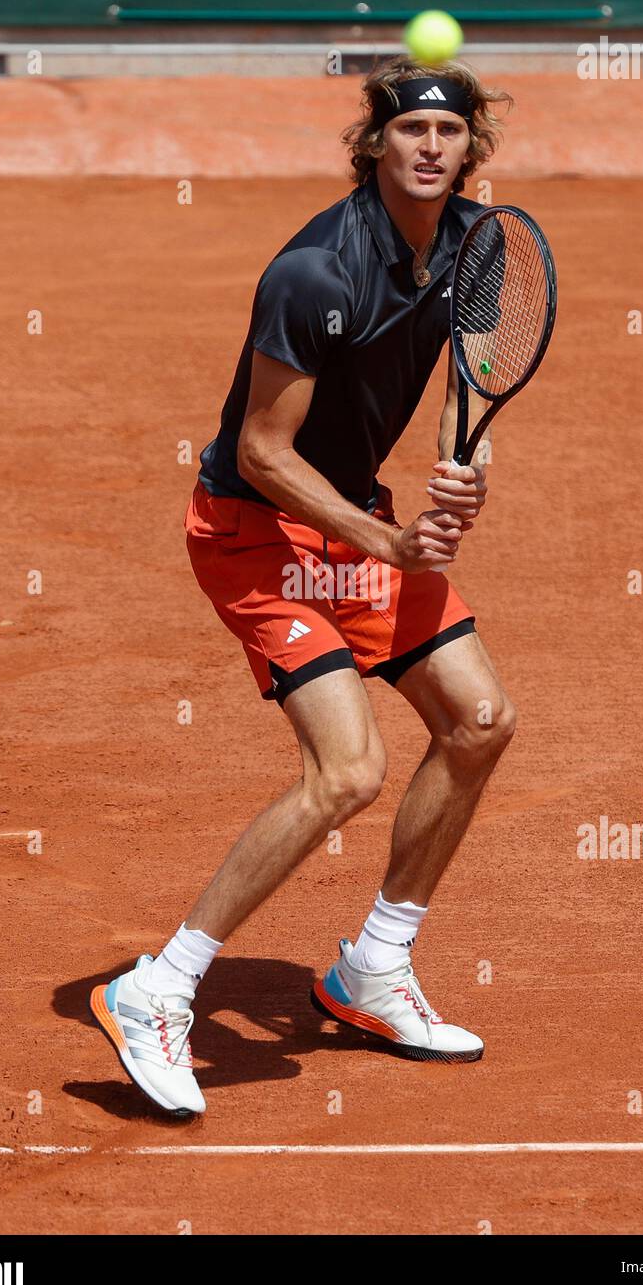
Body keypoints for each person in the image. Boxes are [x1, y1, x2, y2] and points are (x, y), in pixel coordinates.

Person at [91, 57, 517, 1115]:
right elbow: (267, 451)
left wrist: (464, 469)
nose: (428, 147)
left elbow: (468, 374)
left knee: (478, 718)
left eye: (447, 133)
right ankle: (157, 986)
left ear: (471, 151)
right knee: (348, 770)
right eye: (408, 131)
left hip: (355, 523)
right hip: (252, 530)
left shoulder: (477, 242)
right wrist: (385, 536)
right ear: (372, 147)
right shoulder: (315, 272)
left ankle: (373, 966)